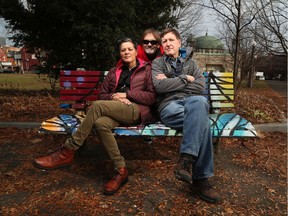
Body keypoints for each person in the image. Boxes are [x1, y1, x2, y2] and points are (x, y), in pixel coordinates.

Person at [33, 37, 157, 195]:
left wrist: (127, 94)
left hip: (136, 110)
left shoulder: (147, 69)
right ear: (119, 53)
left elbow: (151, 97)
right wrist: (113, 97)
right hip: (116, 110)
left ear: (136, 51)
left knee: (96, 106)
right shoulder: (114, 72)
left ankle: (67, 150)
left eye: (129, 49)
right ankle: (121, 170)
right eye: (123, 50)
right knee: (100, 123)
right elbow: (102, 94)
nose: (126, 52)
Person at [152, 28, 221, 203]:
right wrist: (185, 79)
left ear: (179, 42)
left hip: (191, 103)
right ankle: (200, 180)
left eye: (170, 40)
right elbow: (159, 87)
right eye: (164, 41)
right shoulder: (158, 63)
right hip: (169, 106)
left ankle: (185, 160)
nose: (167, 44)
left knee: (199, 103)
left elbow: (199, 87)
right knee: (203, 123)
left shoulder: (192, 64)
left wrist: (170, 81)